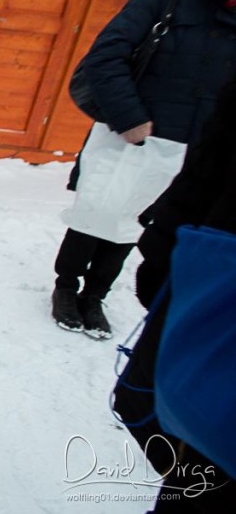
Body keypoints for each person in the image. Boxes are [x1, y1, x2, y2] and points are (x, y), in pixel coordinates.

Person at [51, 0, 236, 339]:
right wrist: (130, 117)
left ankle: (95, 295)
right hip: (128, 134)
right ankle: (66, 286)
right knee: (95, 213)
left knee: (133, 223)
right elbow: (106, 57)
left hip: (189, 150)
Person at [113, 76, 236, 512]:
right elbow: (212, 163)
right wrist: (165, 253)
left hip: (212, 277)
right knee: (181, 424)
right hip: (217, 281)